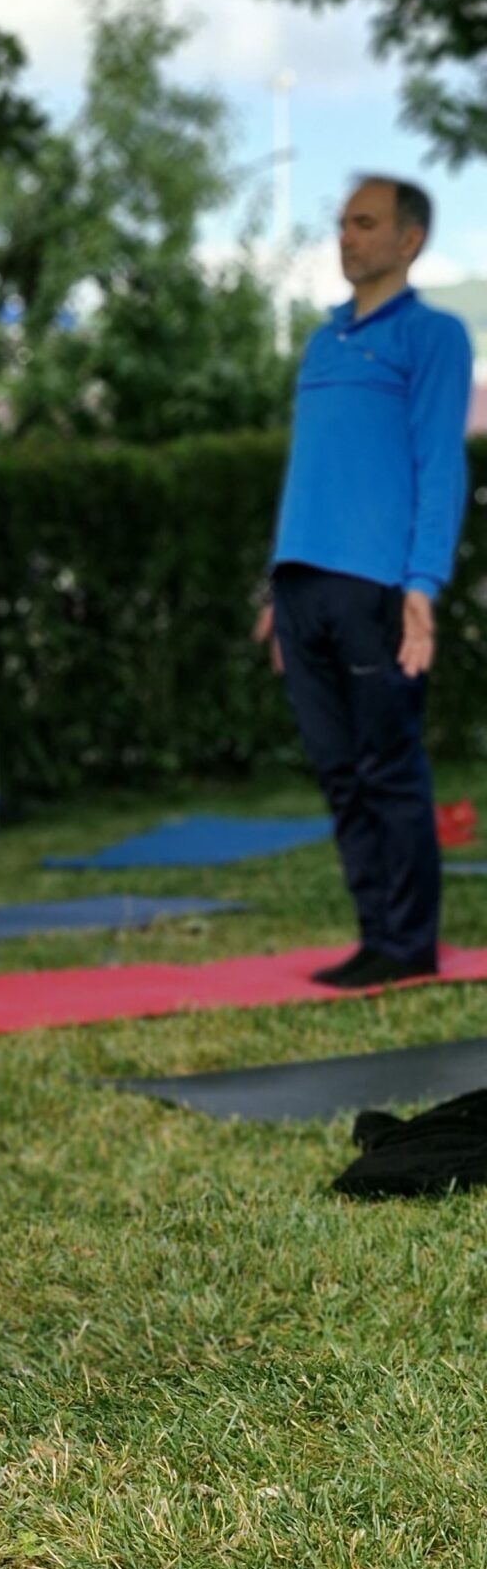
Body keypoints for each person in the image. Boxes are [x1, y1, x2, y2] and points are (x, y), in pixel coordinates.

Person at [253, 175, 474, 985]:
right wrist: (277, 586)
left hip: (375, 588)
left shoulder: (434, 336)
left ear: (408, 238)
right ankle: (375, 934)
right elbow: (311, 471)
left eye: (365, 223)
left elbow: (438, 465)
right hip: (303, 585)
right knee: (340, 771)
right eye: (342, 222)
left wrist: (422, 587)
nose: (346, 237)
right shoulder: (322, 341)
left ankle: (408, 944)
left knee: (387, 765)